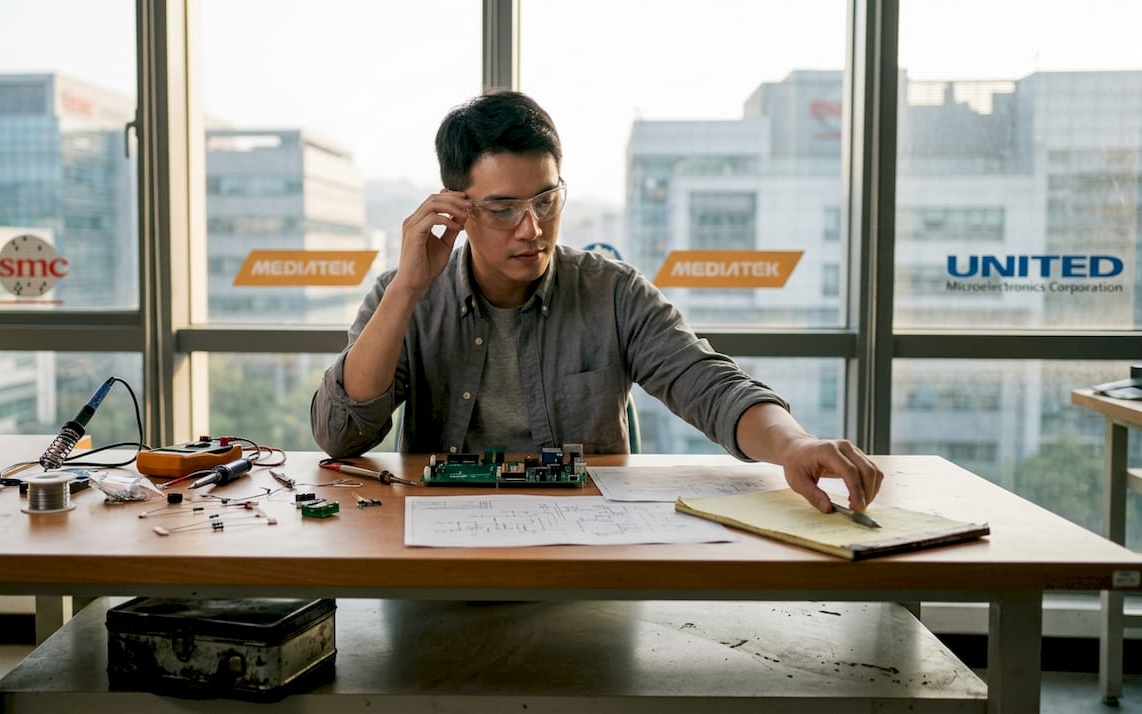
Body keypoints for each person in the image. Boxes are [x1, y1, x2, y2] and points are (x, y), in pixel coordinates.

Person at [311, 90, 882, 513]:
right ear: (457, 208)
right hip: (438, 552)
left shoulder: (611, 291)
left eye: (546, 199)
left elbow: (708, 383)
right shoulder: (404, 293)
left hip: (582, 551)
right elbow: (340, 435)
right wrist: (409, 287)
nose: (531, 229)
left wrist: (795, 445)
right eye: (504, 208)